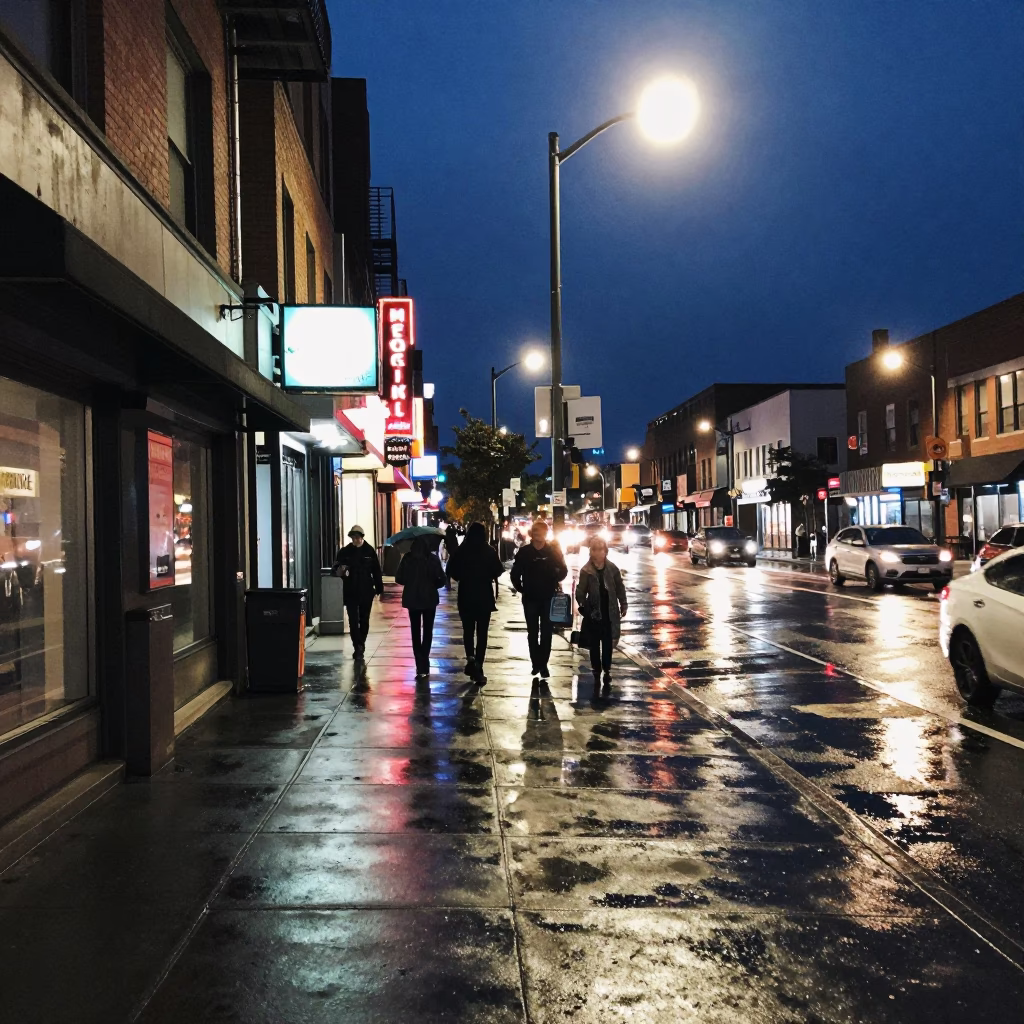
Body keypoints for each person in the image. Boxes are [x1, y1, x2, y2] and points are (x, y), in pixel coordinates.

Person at [446, 521, 505, 684]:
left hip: (466, 594)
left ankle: (471, 659)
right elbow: (498, 571)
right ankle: (479, 665)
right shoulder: (489, 551)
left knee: (468, 630)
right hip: (484, 595)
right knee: (482, 632)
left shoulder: (461, 551)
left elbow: (453, 572)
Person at [510, 520, 567, 679]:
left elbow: (563, 571)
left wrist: (555, 574)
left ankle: (543, 665)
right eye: (536, 532)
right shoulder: (525, 552)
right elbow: (515, 573)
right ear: (532, 534)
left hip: (548, 597)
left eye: (541, 532)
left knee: (547, 632)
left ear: (545, 534)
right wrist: (522, 589)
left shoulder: (552, 551)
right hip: (530, 598)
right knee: (532, 632)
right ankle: (536, 663)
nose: (538, 536)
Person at [575, 536, 627, 684]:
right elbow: (580, 591)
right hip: (594, 613)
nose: (597, 553)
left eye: (600, 549)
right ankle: (596, 669)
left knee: (608, 642)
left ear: (605, 551)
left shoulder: (612, 569)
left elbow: (619, 587)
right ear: (591, 551)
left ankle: (607, 669)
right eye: (594, 549)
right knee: (594, 643)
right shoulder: (586, 570)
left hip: (609, 611)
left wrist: (623, 603)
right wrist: (584, 604)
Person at [395, 536, 447, 679]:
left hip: (412, 599)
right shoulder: (432, 559)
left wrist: (410, 582)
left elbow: (399, 578)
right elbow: (442, 579)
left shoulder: (407, 558)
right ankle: (425, 659)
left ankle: (419, 664)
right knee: (428, 631)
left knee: (415, 631)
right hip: (429, 599)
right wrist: (432, 585)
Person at [332, 525, 383, 660]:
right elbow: (335, 568)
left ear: (362, 537)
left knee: (364, 619)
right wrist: (341, 570)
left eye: (357, 537)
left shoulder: (369, 551)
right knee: (353, 621)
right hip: (351, 591)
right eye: (353, 538)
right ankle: (357, 646)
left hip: (366, 591)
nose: (355, 540)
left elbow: (376, 570)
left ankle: (361, 643)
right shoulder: (345, 552)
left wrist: (379, 588)